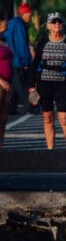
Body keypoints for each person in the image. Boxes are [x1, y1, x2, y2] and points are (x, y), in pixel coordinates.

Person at [29, 12, 66, 149]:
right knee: (48, 118)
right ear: (48, 26)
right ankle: (50, 151)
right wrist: (31, 87)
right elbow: (35, 64)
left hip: (63, 83)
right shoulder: (43, 42)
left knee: (64, 119)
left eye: (59, 22)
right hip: (44, 83)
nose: (57, 24)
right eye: (53, 22)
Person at [5, 2, 34, 115]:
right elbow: (21, 45)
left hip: (12, 60)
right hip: (19, 61)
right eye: (30, 15)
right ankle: (30, 106)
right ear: (24, 14)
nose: (30, 18)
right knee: (23, 86)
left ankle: (11, 108)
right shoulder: (19, 25)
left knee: (15, 86)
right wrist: (26, 61)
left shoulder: (12, 23)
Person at [0, 14, 12, 146]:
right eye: (5, 21)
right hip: (0, 82)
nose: (7, 23)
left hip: (8, 83)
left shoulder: (4, 38)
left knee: (3, 119)